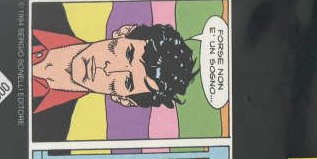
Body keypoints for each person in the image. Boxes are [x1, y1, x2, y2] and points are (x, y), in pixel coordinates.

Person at [30, 21, 196, 113]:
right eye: (128, 54)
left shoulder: (55, 129)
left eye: (127, 82)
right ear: (123, 32)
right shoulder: (44, 15)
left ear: (124, 100)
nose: (108, 69)